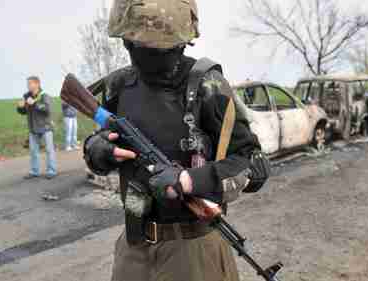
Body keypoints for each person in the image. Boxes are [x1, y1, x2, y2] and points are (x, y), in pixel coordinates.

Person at [83, 1, 260, 280]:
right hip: (134, 247)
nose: (142, 53)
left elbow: (251, 163)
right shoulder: (119, 86)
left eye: (156, 47)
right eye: (134, 43)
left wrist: (188, 180)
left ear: (180, 43)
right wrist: (97, 150)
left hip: (193, 250)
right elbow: (100, 145)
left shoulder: (207, 85)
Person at [17, 76, 57, 179]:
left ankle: (51, 171)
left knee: (49, 150)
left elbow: (47, 109)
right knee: (33, 151)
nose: (28, 86)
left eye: (30, 84)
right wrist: (20, 107)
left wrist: (35, 103)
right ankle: (35, 171)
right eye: (27, 84)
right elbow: (24, 111)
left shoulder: (44, 96)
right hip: (33, 127)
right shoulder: (26, 96)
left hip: (45, 127)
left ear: (37, 84)